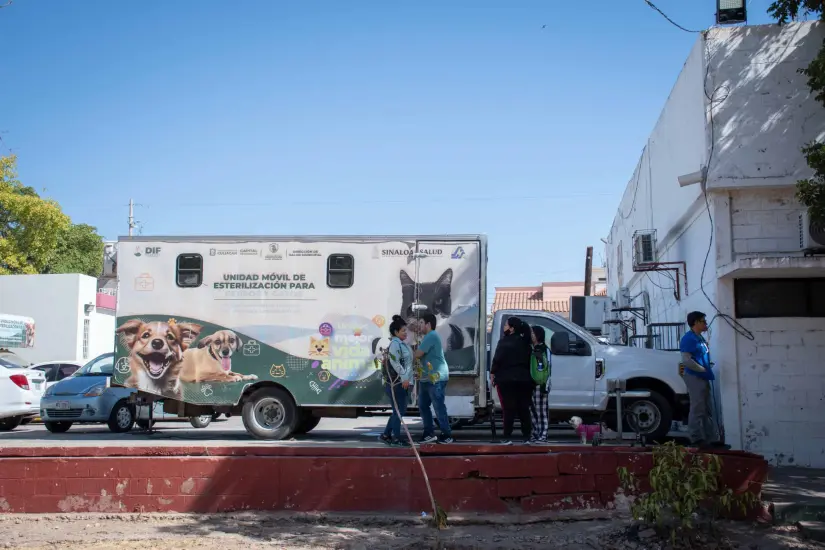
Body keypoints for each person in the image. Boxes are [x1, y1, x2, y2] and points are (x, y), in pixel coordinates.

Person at [679, 311, 728, 449]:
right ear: (695, 322)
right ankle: (696, 438)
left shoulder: (699, 338)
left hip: (703, 376)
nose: (706, 324)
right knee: (697, 408)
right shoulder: (689, 339)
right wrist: (702, 369)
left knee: (707, 408)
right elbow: (686, 360)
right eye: (703, 321)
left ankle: (709, 438)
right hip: (695, 376)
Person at [490, 316, 535, 445]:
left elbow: (497, 359)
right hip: (525, 380)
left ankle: (507, 437)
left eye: (506, 325)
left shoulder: (504, 342)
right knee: (523, 409)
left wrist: (493, 373)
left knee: (509, 409)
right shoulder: (526, 342)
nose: (504, 327)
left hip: (507, 379)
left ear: (512, 328)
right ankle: (527, 436)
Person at [414, 313, 453, 444]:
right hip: (427, 377)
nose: (419, 326)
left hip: (436, 377)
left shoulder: (431, 336)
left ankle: (447, 434)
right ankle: (428, 433)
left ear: (428, 324)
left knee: (438, 406)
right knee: (423, 406)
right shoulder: (428, 337)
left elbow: (418, 354)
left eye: (421, 323)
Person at [379, 315, 414, 447]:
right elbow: (396, 362)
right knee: (399, 411)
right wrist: (404, 378)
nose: (406, 333)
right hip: (398, 383)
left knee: (398, 411)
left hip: (403, 382)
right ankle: (396, 437)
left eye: (406, 330)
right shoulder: (395, 344)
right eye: (403, 330)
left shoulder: (401, 344)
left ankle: (386, 435)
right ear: (395, 332)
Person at [529, 325, 552, 444]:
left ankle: (543, 434)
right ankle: (535, 433)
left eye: (533, 333)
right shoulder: (531, 349)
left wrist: (546, 385)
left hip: (541, 385)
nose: (531, 335)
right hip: (532, 384)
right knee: (533, 411)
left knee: (541, 411)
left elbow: (548, 368)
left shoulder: (545, 350)